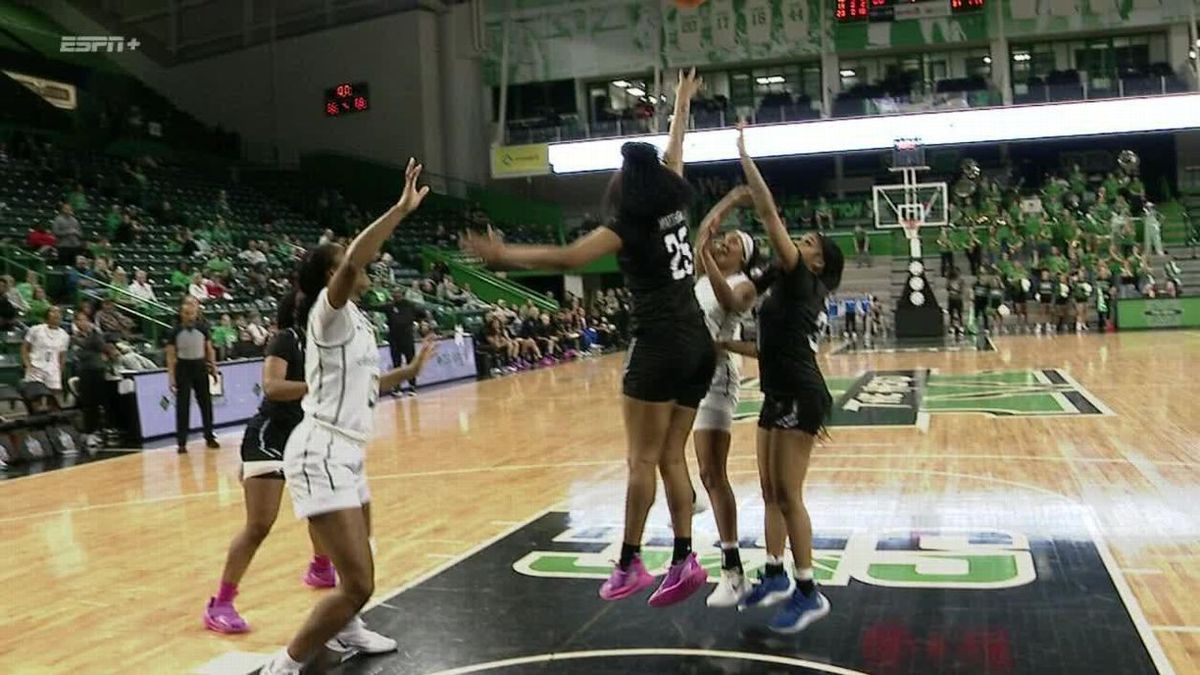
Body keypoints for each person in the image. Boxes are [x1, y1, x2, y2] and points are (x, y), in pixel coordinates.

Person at [463, 69, 714, 607]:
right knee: (673, 457)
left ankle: (629, 563)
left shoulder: (627, 223)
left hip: (661, 344)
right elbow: (675, 152)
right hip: (699, 343)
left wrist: (504, 256)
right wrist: (681, 103)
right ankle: (685, 559)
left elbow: (569, 257)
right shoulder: (674, 203)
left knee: (640, 461)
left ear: (625, 183)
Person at [260, 158, 435, 675]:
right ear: (334, 275)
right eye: (348, 264)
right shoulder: (327, 313)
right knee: (361, 581)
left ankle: (350, 627)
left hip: (347, 451)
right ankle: (284, 666)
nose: (364, 267)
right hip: (321, 450)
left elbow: (363, 385)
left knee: (356, 561)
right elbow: (359, 253)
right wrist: (399, 211)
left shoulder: (357, 320)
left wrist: (409, 370)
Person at [731, 122, 843, 632]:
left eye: (809, 240)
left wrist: (744, 156)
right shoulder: (782, 284)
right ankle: (775, 573)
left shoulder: (803, 278)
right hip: (778, 389)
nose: (801, 239)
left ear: (817, 260)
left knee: (789, 495)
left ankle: (808, 590)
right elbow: (766, 346)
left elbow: (768, 211)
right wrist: (720, 345)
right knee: (770, 491)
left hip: (801, 393)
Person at [203, 294, 336, 635]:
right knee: (259, 525)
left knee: (321, 508)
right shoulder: (286, 338)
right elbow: (273, 387)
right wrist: (316, 386)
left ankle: (321, 568)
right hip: (270, 435)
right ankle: (221, 603)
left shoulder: (326, 342)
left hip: (306, 433)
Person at [690, 184, 760, 607]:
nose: (722, 244)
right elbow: (702, 234)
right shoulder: (703, 272)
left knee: (714, 473)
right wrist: (731, 200)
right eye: (724, 240)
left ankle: (733, 572)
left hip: (718, 379)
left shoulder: (745, 284)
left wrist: (704, 256)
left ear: (743, 258)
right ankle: (690, 496)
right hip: (688, 375)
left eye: (731, 244)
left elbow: (726, 298)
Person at [166, 297, 220, 454]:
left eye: (192, 313)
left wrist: (214, 368)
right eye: (186, 313)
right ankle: (181, 442)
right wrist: (171, 377)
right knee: (182, 405)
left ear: (197, 313)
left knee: (206, 403)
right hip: (183, 367)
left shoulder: (203, 328)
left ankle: (209, 436)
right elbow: (170, 355)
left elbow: (209, 349)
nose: (189, 316)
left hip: (200, 366)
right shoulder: (174, 331)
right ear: (181, 314)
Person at [71, 310, 111, 448]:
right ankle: (88, 433)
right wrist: (90, 348)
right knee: (88, 403)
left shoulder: (95, 335)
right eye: (80, 320)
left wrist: (93, 339)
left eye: (85, 320)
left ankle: (97, 430)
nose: (84, 322)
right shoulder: (74, 338)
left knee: (99, 402)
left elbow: (101, 347)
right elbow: (81, 354)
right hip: (85, 372)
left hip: (98, 371)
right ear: (76, 323)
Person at [22, 306, 69, 401]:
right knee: (35, 399)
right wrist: (27, 365)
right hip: (35, 367)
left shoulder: (64, 335)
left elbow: (63, 355)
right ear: (47, 315)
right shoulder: (36, 329)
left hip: (53, 369)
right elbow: (24, 348)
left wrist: (60, 370)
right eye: (53, 311)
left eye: (59, 312)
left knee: (53, 400)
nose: (56, 314)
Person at [384, 289, 422, 395]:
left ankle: (412, 387)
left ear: (402, 295)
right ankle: (397, 388)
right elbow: (375, 307)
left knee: (411, 362)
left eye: (398, 293)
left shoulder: (410, 305)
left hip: (407, 339)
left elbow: (422, 314)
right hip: (394, 339)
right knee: (397, 364)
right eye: (394, 294)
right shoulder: (389, 306)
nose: (396, 295)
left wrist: (416, 322)